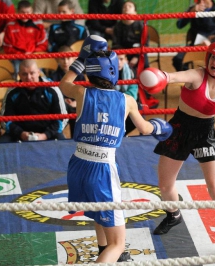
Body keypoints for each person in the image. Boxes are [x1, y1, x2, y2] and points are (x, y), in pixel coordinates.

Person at [59, 35, 172, 262]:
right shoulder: (126, 101)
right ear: (114, 72)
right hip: (102, 171)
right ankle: (109, 253)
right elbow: (145, 128)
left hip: (77, 166)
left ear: (90, 73)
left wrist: (81, 59)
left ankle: (103, 251)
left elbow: (63, 84)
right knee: (118, 243)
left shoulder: (82, 94)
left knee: (98, 214)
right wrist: (162, 127)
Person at [138, 41, 215, 253]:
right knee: (165, 184)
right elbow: (174, 77)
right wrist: (162, 77)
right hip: (180, 128)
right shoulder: (197, 75)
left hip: (205, 133)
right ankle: (173, 215)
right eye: (213, 57)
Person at [0, 59, 67, 143]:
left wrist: (45, 135)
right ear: (19, 75)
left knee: (64, 148)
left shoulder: (52, 88)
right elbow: (6, 120)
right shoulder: (12, 92)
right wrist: (21, 133)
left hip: (48, 132)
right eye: (24, 74)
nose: (29, 78)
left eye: (32, 73)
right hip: (19, 133)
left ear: (38, 72)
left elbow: (61, 119)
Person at [2, 0, 48, 78]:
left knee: (40, 76)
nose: (25, 15)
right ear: (17, 11)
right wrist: (21, 55)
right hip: (17, 58)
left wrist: (33, 54)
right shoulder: (10, 25)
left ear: (32, 11)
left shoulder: (38, 24)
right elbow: (7, 46)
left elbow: (43, 43)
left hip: (34, 57)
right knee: (17, 74)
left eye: (28, 12)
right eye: (22, 12)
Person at [172, 0, 215, 71]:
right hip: (195, 44)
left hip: (213, 45)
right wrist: (191, 12)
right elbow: (179, 24)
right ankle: (188, 77)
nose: (201, 2)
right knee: (177, 60)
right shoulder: (193, 8)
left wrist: (212, 41)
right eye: (199, 0)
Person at [50, 45, 86, 136]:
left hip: (75, 105)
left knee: (77, 111)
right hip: (60, 106)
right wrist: (63, 101)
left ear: (74, 58)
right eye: (62, 58)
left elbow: (85, 94)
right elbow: (53, 96)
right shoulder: (53, 77)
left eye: (68, 58)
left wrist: (75, 102)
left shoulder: (81, 76)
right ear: (57, 60)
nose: (65, 61)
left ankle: (75, 136)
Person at [112, 1, 149, 74]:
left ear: (135, 12)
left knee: (145, 67)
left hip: (139, 53)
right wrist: (123, 58)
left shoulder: (141, 26)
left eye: (130, 6)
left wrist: (137, 57)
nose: (126, 8)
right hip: (123, 55)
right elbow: (116, 44)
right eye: (124, 7)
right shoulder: (117, 27)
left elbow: (145, 44)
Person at [114, 51, 140, 135]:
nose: (118, 62)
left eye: (121, 59)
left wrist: (117, 99)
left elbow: (132, 94)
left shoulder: (132, 72)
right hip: (112, 105)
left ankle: (121, 134)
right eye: (115, 59)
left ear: (126, 60)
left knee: (139, 112)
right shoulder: (105, 73)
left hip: (123, 103)